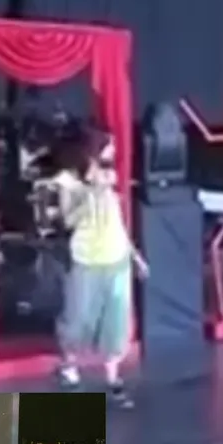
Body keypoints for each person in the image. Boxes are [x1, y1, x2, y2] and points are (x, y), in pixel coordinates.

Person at [53, 128, 149, 408]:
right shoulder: (68, 181)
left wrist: (135, 256)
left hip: (116, 257)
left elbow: (117, 221)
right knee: (78, 317)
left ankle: (113, 378)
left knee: (116, 320)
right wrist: (91, 194)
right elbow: (68, 220)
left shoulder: (109, 177)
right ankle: (69, 368)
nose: (114, 152)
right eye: (110, 147)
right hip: (87, 259)